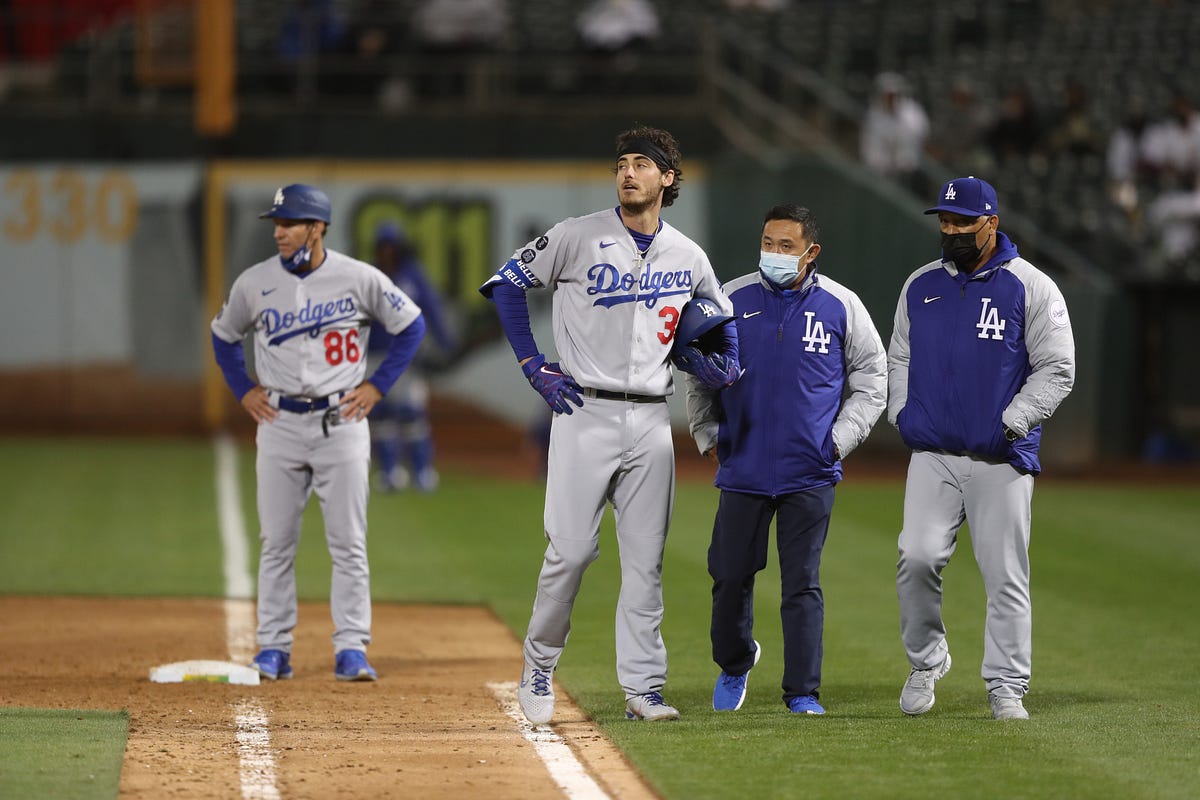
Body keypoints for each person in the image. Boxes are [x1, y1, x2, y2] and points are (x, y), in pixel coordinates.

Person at [479, 125, 740, 724]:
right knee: (569, 554)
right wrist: (529, 363)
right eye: (622, 163)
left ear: (668, 179)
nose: (628, 172)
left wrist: (709, 359)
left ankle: (644, 689)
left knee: (646, 565)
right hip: (582, 411)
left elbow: (721, 328)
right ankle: (539, 669)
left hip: (652, 419)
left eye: (643, 164)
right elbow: (505, 286)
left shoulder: (688, 254)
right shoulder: (576, 236)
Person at [211, 184, 427, 682]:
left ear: (317, 227)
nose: (280, 233)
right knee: (277, 540)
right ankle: (273, 647)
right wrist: (243, 388)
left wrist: (377, 385)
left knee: (348, 542)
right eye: (276, 224)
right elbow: (223, 336)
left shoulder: (357, 277)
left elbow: (411, 326)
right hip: (280, 423)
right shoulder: (255, 282)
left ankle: (351, 648)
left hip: (343, 422)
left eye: (289, 224)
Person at [684, 203, 886, 716]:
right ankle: (735, 662)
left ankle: (802, 692)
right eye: (768, 243)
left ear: (810, 252)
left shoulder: (843, 305)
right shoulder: (728, 299)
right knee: (729, 577)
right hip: (743, 468)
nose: (773, 254)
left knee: (802, 584)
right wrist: (708, 433)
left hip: (810, 471)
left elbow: (872, 379)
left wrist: (839, 440)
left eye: (785, 246)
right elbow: (697, 371)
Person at [887, 176, 1075, 721]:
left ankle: (1006, 687)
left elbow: (1057, 369)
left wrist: (1011, 422)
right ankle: (927, 661)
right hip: (934, 453)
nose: (950, 231)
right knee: (915, 558)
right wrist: (904, 413)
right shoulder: (921, 284)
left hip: (1001, 458)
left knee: (1004, 575)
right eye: (944, 221)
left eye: (962, 223)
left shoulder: (1030, 286)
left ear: (991, 223)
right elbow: (899, 354)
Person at [367, 221, 458, 493]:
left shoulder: (412, 275)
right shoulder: (371, 276)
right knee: (382, 416)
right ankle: (389, 472)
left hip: (407, 355)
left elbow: (430, 307)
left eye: (391, 246)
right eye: (383, 246)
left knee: (412, 415)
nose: (387, 252)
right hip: (376, 354)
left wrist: (445, 341)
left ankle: (421, 472)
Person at [860, 71, 930, 191]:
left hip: (908, 172)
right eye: (887, 95)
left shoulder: (912, 112)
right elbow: (869, 147)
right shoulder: (873, 115)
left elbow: (921, 137)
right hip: (881, 172)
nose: (890, 99)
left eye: (893, 95)